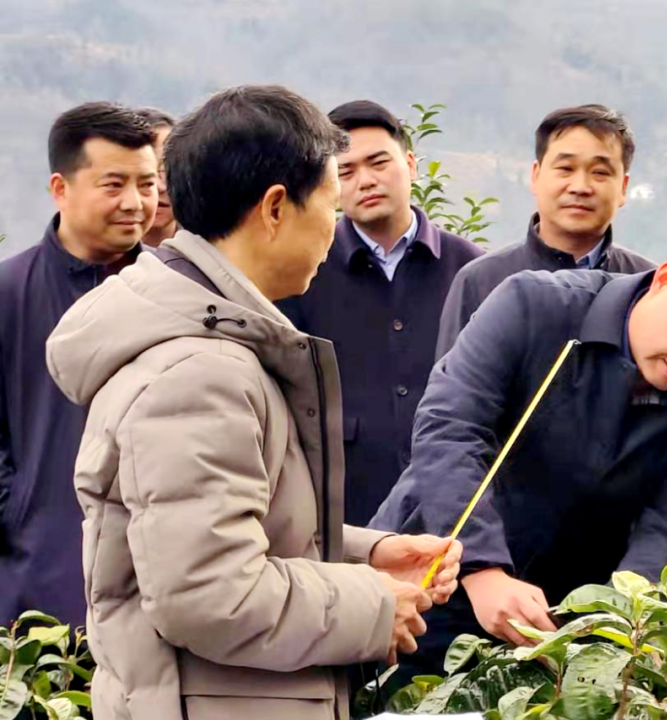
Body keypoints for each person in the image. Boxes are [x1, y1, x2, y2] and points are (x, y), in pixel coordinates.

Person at [46, 85, 461, 720]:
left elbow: (215, 529)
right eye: (328, 201)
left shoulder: (213, 342)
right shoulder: (199, 371)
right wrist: (372, 604)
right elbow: (207, 592)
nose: (335, 224)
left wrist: (366, 554)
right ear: (274, 209)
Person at [373, 230, 667, 675]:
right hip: (427, 577)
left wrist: (617, 624)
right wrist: (482, 568)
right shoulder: (534, 306)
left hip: (555, 626)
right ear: (665, 279)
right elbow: (450, 428)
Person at [279, 100, 483, 525]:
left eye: (378, 162)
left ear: (410, 164)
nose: (366, 181)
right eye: (346, 171)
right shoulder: (303, 270)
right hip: (341, 504)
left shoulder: (472, 269)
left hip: (452, 502)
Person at [0, 102, 157, 626]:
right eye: (114, 185)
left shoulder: (177, 292)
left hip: (157, 578)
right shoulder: (9, 294)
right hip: (38, 580)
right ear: (60, 188)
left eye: (148, 184)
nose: (135, 203)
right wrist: (22, 520)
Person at [436, 103, 654, 357]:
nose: (580, 186)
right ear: (536, 176)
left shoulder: (647, 286)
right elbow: (450, 389)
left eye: (600, 172)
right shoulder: (480, 281)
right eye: (565, 169)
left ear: (623, 188)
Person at [136, 107, 179, 247]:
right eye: (144, 172)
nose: (159, 187)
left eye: (167, 170)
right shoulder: (89, 258)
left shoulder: (213, 251)